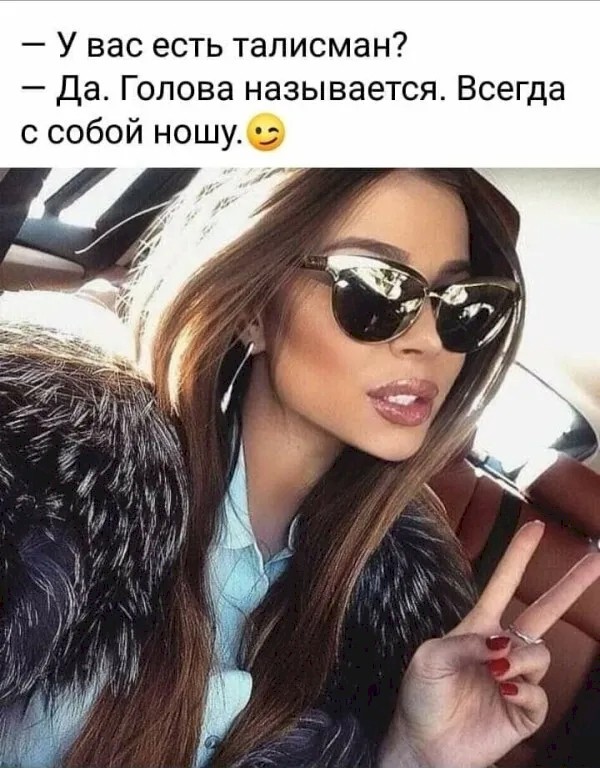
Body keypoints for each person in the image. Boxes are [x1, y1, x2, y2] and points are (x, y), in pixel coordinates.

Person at [0, 168, 598, 768]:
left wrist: (414, 754)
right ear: (253, 310)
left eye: (460, 304)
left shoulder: (408, 622)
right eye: (377, 287)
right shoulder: (41, 488)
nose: (430, 341)